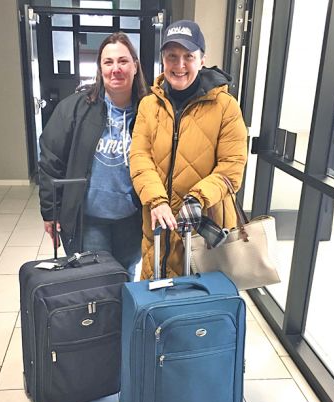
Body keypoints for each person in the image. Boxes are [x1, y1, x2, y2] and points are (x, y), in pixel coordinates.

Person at [129, 20, 248, 279]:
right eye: (172, 56)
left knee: (199, 309)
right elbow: (140, 157)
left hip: (205, 227)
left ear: (202, 60)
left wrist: (197, 198)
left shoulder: (226, 107)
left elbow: (232, 167)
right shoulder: (149, 105)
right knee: (158, 303)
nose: (179, 65)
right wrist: (156, 201)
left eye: (188, 57)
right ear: (163, 59)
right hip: (159, 226)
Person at [38, 32, 149, 280]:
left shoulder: (150, 110)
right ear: (100, 68)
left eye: (123, 61)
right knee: (94, 282)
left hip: (131, 218)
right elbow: (50, 160)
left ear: (135, 66)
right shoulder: (75, 108)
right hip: (88, 219)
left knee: (125, 276)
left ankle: (121, 319)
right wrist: (51, 211)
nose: (116, 69)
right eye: (108, 62)